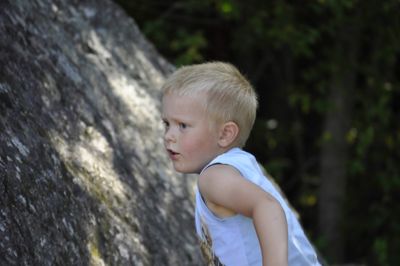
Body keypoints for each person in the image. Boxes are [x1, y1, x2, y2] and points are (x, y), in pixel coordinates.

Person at [161, 61, 321, 266]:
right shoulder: (240, 167)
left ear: (225, 134)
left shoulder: (214, 177)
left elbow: (267, 207)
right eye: (166, 124)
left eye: (183, 125)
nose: (168, 136)